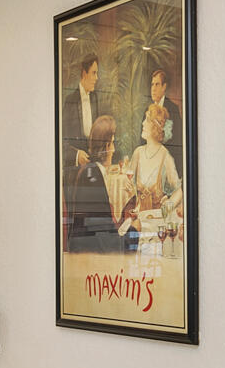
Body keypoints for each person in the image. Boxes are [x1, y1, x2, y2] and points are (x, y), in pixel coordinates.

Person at [122, 104, 184, 275]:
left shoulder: (165, 156)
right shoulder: (138, 153)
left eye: (146, 120)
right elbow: (130, 187)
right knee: (135, 270)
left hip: (157, 225)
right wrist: (128, 187)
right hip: (139, 222)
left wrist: (169, 204)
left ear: (154, 126)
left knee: (153, 272)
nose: (142, 124)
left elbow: (179, 190)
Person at [63, 115, 129, 253]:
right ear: (106, 146)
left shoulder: (92, 171)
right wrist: (134, 232)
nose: (114, 150)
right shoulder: (93, 178)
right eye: (112, 144)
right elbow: (105, 241)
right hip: (88, 258)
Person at [61, 53, 107, 172]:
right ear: (84, 73)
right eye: (94, 73)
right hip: (75, 168)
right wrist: (76, 155)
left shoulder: (95, 98)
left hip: (93, 164)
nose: (96, 78)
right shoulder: (70, 100)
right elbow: (62, 139)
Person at [145, 67, 183, 146]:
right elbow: (142, 140)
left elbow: (177, 140)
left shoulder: (173, 109)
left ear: (164, 87)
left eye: (157, 84)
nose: (153, 89)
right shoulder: (147, 110)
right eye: (152, 85)